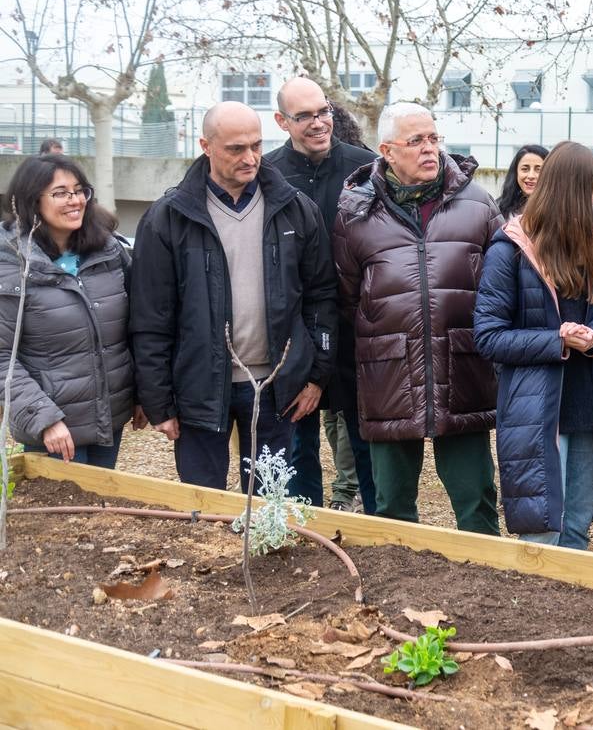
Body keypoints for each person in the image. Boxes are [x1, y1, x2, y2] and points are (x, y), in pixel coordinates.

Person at [129, 101, 336, 493]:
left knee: (267, 503)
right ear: (206, 146)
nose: (251, 157)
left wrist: (316, 376)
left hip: (276, 387)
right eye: (236, 149)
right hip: (199, 387)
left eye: (256, 146)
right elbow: (150, 318)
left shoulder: (295, 209)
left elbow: (321, 297)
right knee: (203, 503)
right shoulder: (168, 218)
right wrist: (158, 401)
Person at [332, 102, 501, 531]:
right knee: (391, 506)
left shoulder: (478, 204)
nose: (430, 149)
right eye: (416, 141)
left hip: (462, 367)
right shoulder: (355, 212)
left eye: (433, 138)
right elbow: (348, 297)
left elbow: (501, 287)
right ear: (387, 151)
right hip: (388, 371)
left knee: (476, 497)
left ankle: (486, 586)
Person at [474, 140, 593, 549]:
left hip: (588, 404)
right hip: (539, 411)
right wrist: (557, 340)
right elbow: (489, 336)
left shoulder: (587, 242)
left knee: (578, 526)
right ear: (571, 192)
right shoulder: (507, 250)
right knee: (542, 531)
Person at [266, 77, 379, 511]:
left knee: (366, 440)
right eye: (305, 116)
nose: (319, 123)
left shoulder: (366, 169)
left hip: (357, 328)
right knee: (297, 440)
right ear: (282, 121)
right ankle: (300, 523)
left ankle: (378, 530)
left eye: (324, 111)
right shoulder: (268, 174)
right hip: (294, 329)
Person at [1, 155, 143, 466]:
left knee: (100, 510)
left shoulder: (108, 251)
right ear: (31, 200)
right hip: (53, 428)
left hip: (110, 417)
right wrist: (44, 418)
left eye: (79, 190)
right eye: (60, 192)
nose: (74, 200)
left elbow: (134, 327)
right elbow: (2, 357)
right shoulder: (11, 264)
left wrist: (142, 394)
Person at [496, 144, 549, 218]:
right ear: (515, 172)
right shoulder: (498, 209)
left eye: (538, 170)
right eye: (525, 169)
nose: (531, 176)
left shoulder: (558, 211)